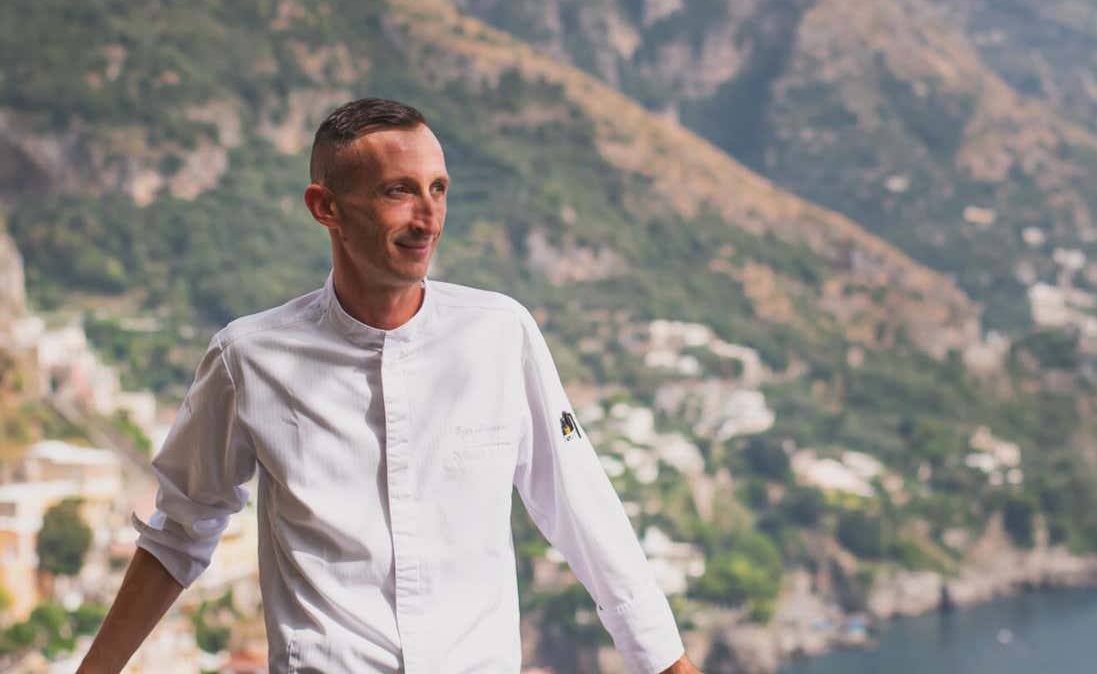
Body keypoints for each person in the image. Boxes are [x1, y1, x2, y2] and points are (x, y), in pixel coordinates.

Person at [77, 98, 703, 674]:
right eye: (399, 192)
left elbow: (583, 511)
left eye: (438, 190)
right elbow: (179, 533)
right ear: (326, 208)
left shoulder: (500, 335)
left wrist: (669, 665)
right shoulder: (247, 360)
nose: (428, 216)